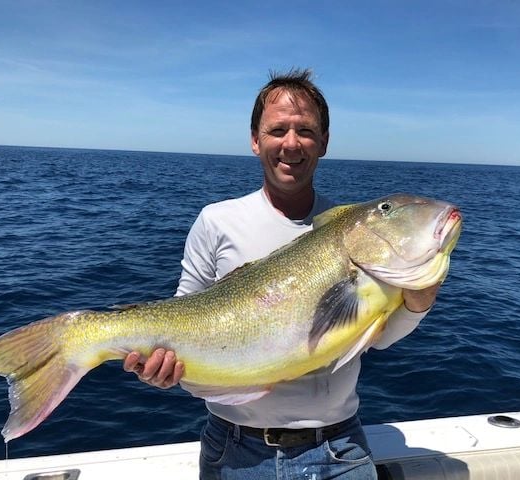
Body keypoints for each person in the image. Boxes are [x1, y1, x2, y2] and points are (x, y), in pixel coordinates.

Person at [123, 69, 439, 479]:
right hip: (232, 451)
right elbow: (184, 313)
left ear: (323, 142)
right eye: (278, 130)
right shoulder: (216, 221)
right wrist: (163, 366)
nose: (291, 143)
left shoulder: (352, 229)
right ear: (256, 140)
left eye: (306, 130)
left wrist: (418, 301)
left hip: (338, 448)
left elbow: (375, 340)